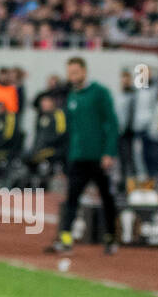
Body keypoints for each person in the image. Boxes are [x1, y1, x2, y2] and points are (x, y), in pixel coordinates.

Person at [50, 57, 119, 255]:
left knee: (107, 198)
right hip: (77, 157)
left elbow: (112, 124)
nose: (72, 76)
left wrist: (109, 152)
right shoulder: (71, 96)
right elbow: (70, 131)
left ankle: (111, 238)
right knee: (71, 199)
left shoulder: (99, 93)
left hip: (99, 157)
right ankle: (65, 239)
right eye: (69, 73)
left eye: (75, 72)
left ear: (84, 72)